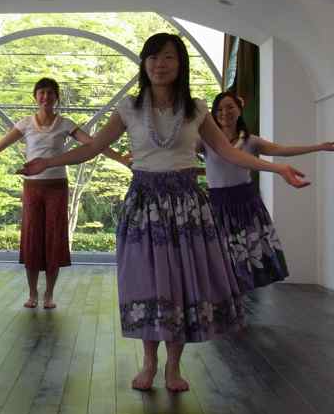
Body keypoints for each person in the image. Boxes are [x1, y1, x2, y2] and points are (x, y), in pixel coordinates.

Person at [19, 33, 309, 392]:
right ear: (144, 64)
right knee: (148, 284)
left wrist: (277, 168)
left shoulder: (197, 109)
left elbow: (229, 152)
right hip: (143, 207)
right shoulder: (129, 108)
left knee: (179, 286)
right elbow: (92, 148)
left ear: (180, 64)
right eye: (153, 57)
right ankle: (148, 362)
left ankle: (173, 366)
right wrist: (47, 161)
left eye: (169, 57)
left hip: (187, 208)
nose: (160, 64)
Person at [0, 77, 127, 310]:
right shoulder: (25, 123)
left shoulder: (65, 124)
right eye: (41, 92)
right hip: (32, 188)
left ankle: (49, 294)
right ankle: (32, 293)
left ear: (57, 97)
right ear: (35, 96)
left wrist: (122, 159)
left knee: (54, 238)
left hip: (57, 186)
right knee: (32, 237)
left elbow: (95, 144)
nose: (46, 97)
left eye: (50, 93)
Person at [203, 91, 333, 290]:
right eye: (219, 109)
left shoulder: (251, 141)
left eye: (230, 107)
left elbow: (283, 150)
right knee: (219, 255)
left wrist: (319, 147)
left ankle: (241, 298)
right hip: (217, 205)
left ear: (239, 110)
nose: (224, 113)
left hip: (245, 203)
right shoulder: (206, 140)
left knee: (246, 254)